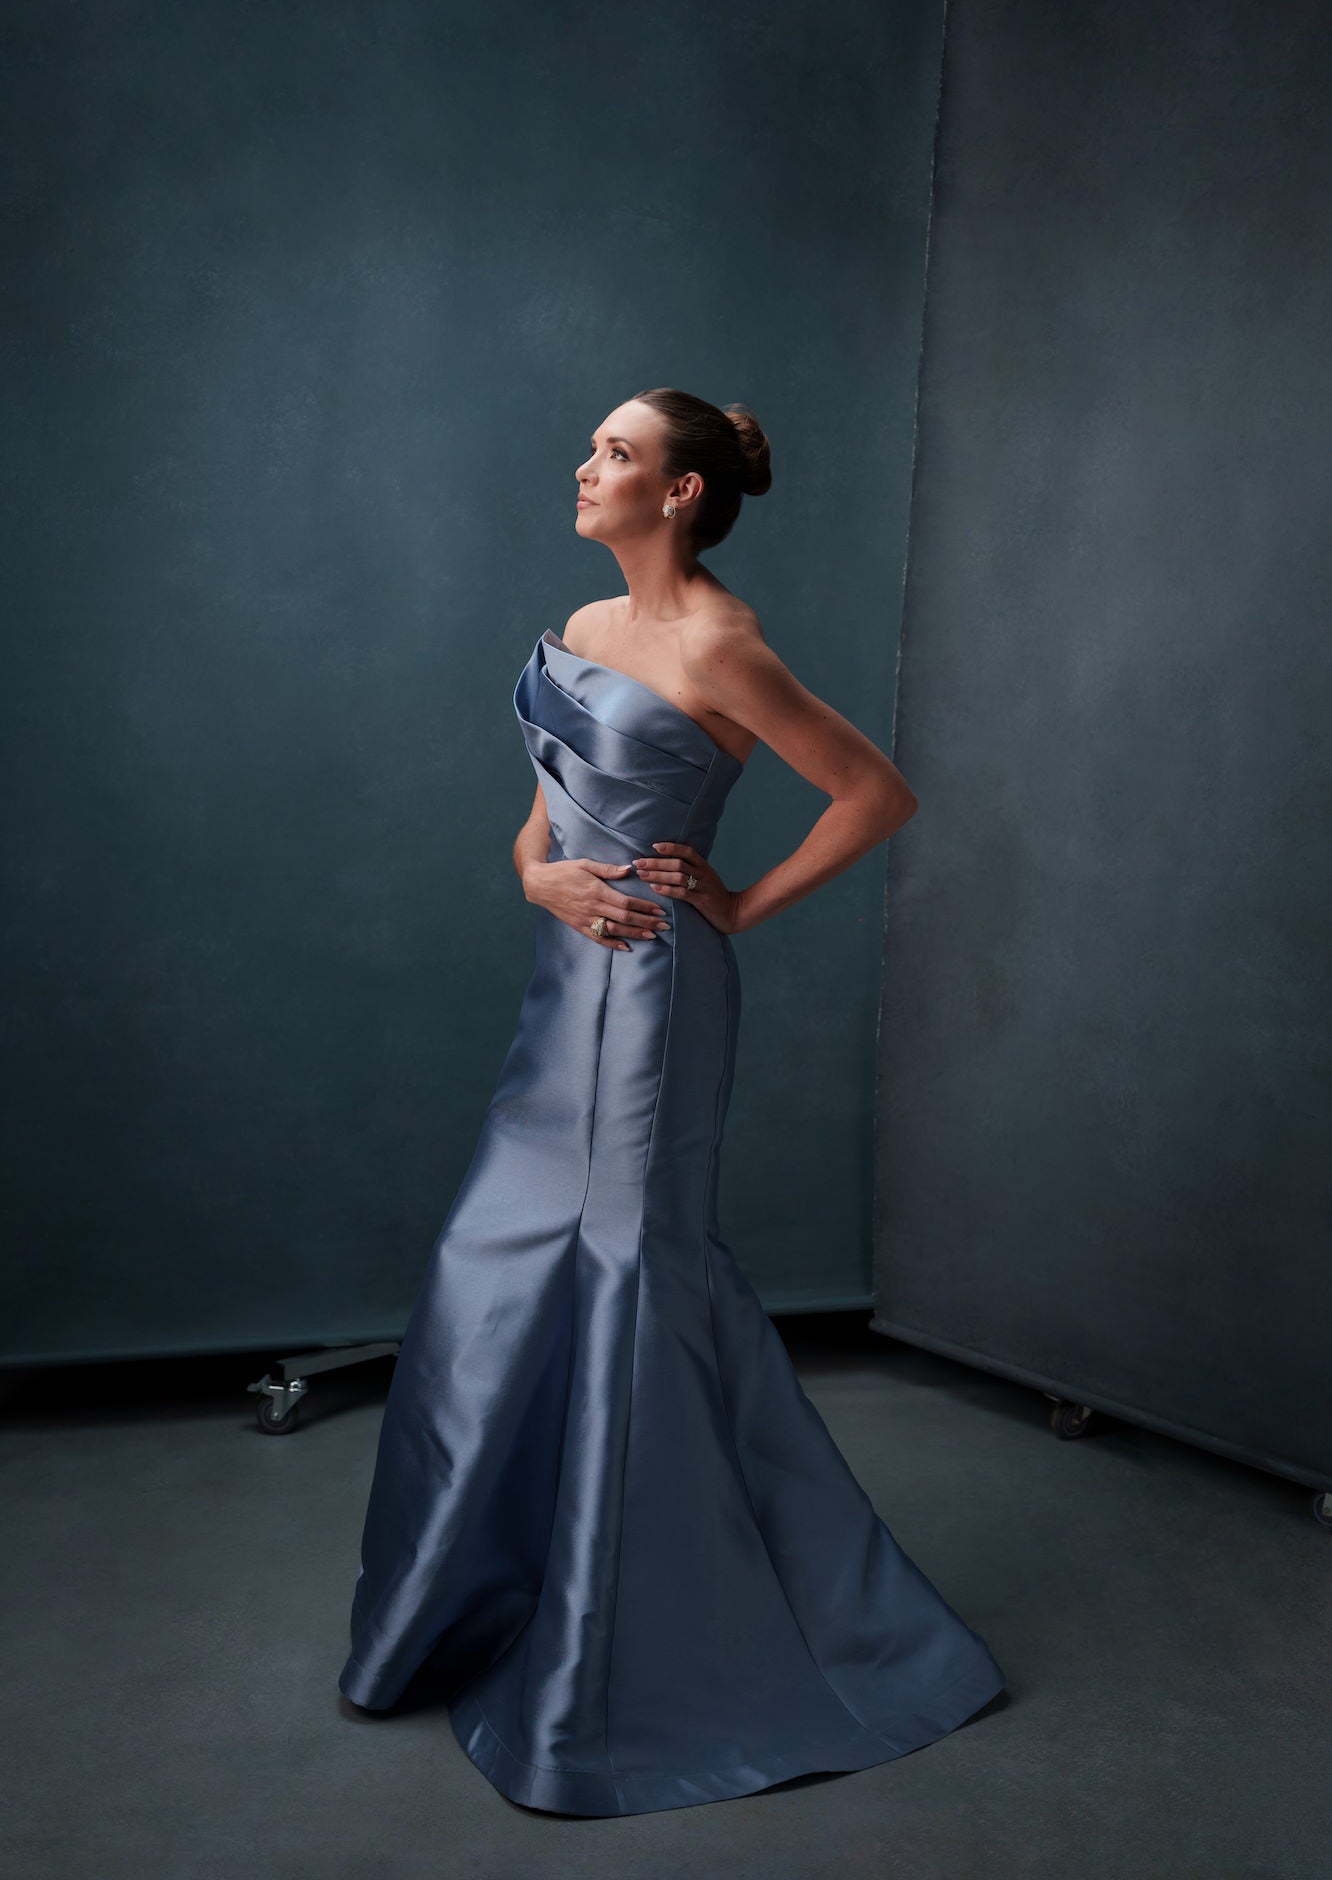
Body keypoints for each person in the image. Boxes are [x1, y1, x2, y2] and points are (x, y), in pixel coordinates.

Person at [336, 387, 1005, 1816]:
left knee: (632, 1274)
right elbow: (543, 811)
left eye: (617, 454)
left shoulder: (722, 645)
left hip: (654, 1000)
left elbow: (873, 794)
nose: (587, 469)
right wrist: (537, 875)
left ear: (682, 493)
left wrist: (740, 907)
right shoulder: (580, 631)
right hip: (557, 987)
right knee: (491, 1272)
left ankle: (650, 1650)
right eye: (591, 448)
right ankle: (483, 1602)